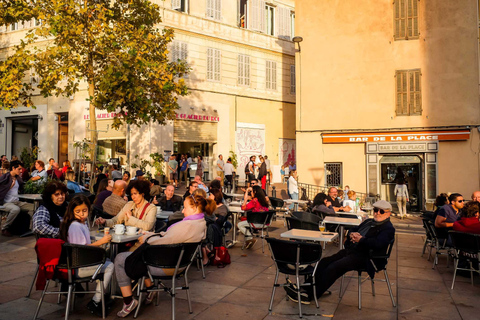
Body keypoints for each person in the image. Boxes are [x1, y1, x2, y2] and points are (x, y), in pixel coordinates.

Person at [113, 194, 216, 318]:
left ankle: (129, 302)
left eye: (184, 207)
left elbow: (163, 241)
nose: (182, 210)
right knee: (138, 255)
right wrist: (152, 234)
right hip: (180, 264)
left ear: (194, 209)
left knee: (120, 259)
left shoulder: (187, 225)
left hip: (165, 265)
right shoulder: (200, 223)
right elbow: (170, 237)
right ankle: (150, 289)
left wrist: (146, 238)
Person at [286, 200, 395, 303]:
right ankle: (306, 286)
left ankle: (311, 295)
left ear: (388, 214)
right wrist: (352, 234)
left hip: (368, 258)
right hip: (353, 251)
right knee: (324, 262)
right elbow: (354, 229)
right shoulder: (369, 222)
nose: (377, 213)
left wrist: (361, 239)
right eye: (375, 210)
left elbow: (378, 243)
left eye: (381, 211)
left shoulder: (388, 228)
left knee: (335, 267)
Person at [59, 195, 114, 316]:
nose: (82, 214)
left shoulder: (80, 224)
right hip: (78, 267)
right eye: (78, 211)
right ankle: (96, 300)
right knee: (109, 266)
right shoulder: (75, 226)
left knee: (107, 262)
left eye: (84, 210)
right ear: (72, 211)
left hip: (76, 264)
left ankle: (102, 296)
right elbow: (82, 249)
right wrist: (101, 242)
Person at [0, 160, 34, 236]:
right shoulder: (5, 177)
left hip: (17, 202)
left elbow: (23, 188)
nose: (21, 171)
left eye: (21, 169)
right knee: (15, 209)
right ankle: (5, 228)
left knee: (35, 207)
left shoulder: (18, 178)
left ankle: (32, 228)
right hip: (6, 202)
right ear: (13, 168)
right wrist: (9, 187)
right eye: (19, 169)